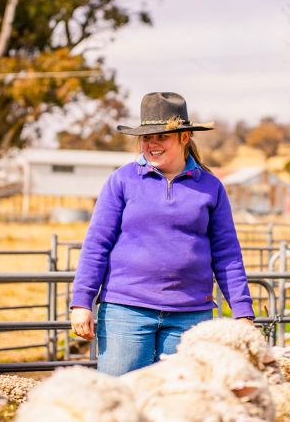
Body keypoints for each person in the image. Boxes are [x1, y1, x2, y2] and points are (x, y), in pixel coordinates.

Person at [70, 92, 255, 376]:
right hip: (126, 310)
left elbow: (227, 253)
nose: (151, 144)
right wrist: (82, 301)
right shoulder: (122, 180)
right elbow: (97, 244)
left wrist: (242, 312)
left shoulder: (210, 187)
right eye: (146, 137)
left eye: (161, 137)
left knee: (183, 402)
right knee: (121, 400)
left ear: (184, 137)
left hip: (190, 314)